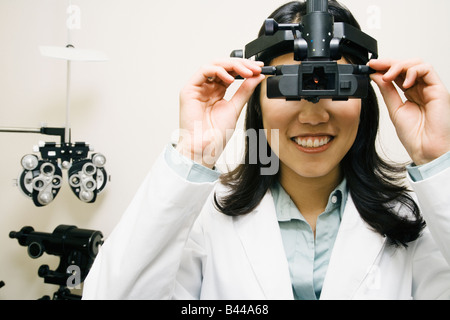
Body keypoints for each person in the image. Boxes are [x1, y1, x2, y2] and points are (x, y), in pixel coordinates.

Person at [82, 1, 450, 300]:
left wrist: (437, 158)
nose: (313, 113)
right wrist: (193, 151)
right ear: (256, 98)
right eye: (289, 87)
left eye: (335, 86)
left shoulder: (413, 221)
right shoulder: (206, 220)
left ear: (363, 98)